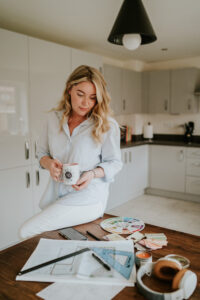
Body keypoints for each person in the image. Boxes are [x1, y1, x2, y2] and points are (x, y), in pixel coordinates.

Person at [20, 65, 122, 239]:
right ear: (69, 89)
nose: (86, 103)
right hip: (56, 194)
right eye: (80, 94)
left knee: (26, 231)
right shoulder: (52, 119)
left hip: (89, 197)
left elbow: (115, 163)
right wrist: (49, 164)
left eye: (92, 98)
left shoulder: (106, 125)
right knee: (56, 237)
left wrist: (91, 174)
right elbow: (42, 153)